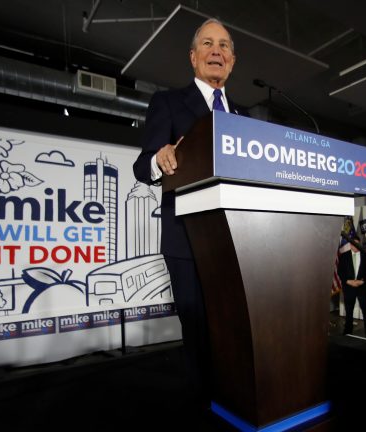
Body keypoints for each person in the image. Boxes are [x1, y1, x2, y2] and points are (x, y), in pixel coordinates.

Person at [132, 18, 247, 407]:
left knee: (235, 326)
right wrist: (159, 158)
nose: (217, 51)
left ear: (232, 61)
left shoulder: (244, 118)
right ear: (193, 56)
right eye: (209, 44)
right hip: (188, 239)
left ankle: (236, 397)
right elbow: (141, 164)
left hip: (240, 240)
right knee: (200, 330)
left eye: (225, 46)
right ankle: (205, 406)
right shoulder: (167, 102)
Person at [338, 233, 366, 337]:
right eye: (354, 244)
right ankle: (347, 332)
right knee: (349, 311)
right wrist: (348, 281)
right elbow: (340, 271)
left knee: (365, 311)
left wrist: (363, 281)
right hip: (349, 288)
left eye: (358, 244)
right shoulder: (344, 256)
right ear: (350, 244)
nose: (356, 246)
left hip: (362, 288)